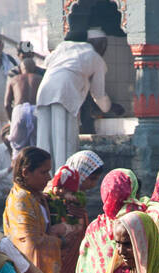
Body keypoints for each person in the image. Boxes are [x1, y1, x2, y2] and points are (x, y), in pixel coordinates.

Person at [36, 29, 116, 169]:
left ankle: (47, 178)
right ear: (100, 44)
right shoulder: (94, 57)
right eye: (104, 45)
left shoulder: (64, 49)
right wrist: (109, 107)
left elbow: (47, 62)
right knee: (64, 140)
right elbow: (98, 93)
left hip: (44, 91)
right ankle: (62, 178)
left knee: (46, 139)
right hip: (65, 93)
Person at [7, 55, 42, 151]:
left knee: (17, 147)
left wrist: (11, 120)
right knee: (37, 147)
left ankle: (16, 164)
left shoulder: (14, 79)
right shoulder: (40, 79)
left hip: (19, 110)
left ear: (20, 69)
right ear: (34, 68)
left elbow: (7, 104)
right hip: (36, 111)